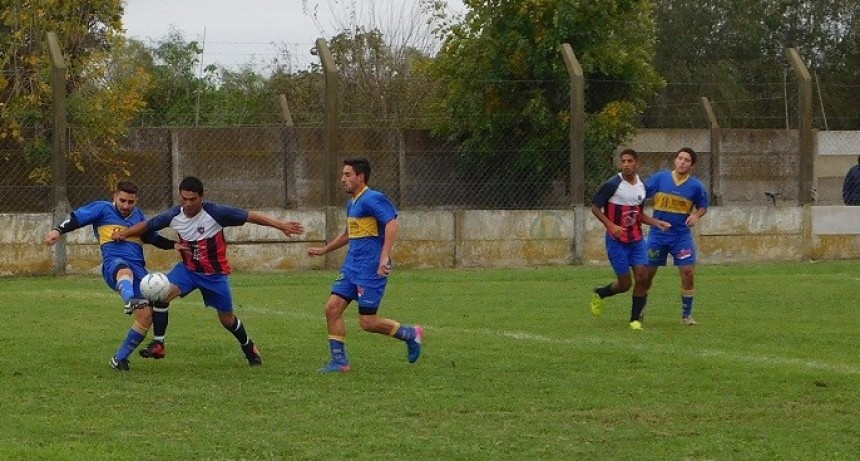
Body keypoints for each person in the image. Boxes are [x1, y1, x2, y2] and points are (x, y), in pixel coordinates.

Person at [112, 176, 304, 366]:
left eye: (193, 199)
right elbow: (147, 225)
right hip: (188, 271)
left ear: (202, 197)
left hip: (215, 275)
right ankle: (158, 344)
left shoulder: (216, 213)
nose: (188, 204)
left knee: (227, 319)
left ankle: (249, 347)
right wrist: (125, 233)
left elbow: (250, 216)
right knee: (160, 294)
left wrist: (280, 225)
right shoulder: (173, 215)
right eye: (184, 199)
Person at [43, 180, 179, 371]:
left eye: (130, 202)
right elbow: (76, 218)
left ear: (136, 201)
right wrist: (57, 230)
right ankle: (130, 299)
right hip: (113, 266)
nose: (125, 206)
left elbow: (152, 238)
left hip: (139, 271)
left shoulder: (139, 216)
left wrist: (174, 245)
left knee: (146, 316)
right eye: (122, 200)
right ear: (114, 196)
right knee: (125, 270)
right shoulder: (102, 209)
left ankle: (119, 359)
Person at [307, 158, 423, 373]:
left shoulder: (373, 198)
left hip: (371, 269)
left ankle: (410, 334)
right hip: (351, 268)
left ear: (360, 177)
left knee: (368, 322)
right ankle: (340, 363)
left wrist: (384, 257)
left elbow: (392, 223)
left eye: (348, 175)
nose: (343, 179)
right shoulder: (352, 203)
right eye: (343, 175)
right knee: (332, 309)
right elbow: (349, 234)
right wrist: (324, 250)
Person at [590, 149, 671, 330]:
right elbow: (595, 208)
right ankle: (600, 293)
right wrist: (610, 225)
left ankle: (634, 320)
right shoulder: (612, 184)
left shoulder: (641, 187)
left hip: (636, 239)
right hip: (616, 240)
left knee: (642, 277)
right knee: (625, 284)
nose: (626, 164)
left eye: (630, 161)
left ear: (637, 163)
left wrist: (656, 222)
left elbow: (638, 215)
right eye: (623, 161)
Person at [642, 147, 709, 325]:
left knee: (688, 272)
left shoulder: (696, 186)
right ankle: (640, 309)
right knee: (646, 273)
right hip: (658, 235)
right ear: (675, 160)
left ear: (692, 166)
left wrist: (695, 215)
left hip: (680, 236)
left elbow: (703, 206)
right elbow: (641, 194)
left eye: (686, 160)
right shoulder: (660, 178)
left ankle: (686, 316)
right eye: (680, 158)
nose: (682, 162)